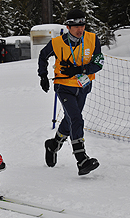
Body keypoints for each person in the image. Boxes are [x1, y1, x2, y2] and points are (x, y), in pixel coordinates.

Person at [37, 9, 104, 175]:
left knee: (70, 121)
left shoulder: (93, 39)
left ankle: (53, 145)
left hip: (83, 86)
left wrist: (80, 69)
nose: (80, 29)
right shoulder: (57, 42)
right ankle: (81, 159)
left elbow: (99, 62)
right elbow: (42, 56)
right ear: (68, 27)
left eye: (82, 25)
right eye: (75, 26)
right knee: (76, 118)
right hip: (64, 86)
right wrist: (43, 75)